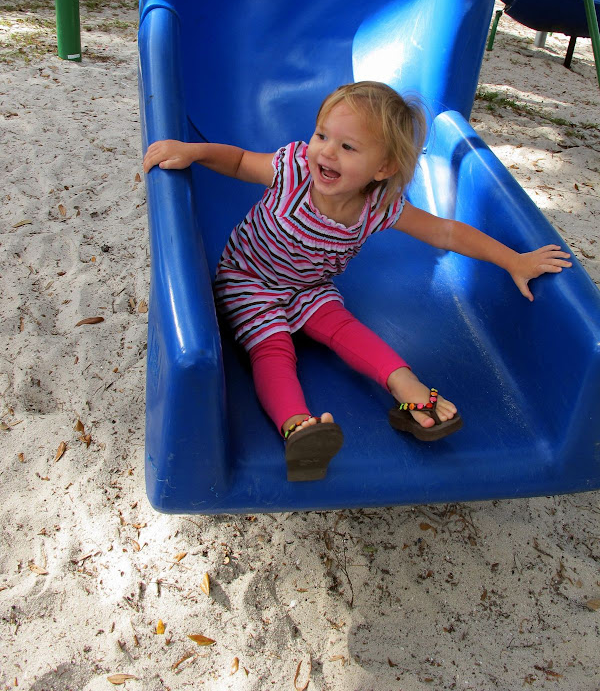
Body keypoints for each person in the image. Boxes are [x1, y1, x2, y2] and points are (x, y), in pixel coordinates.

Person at [143, 81, 572, 482]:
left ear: (383, 168)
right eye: (321, 136)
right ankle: (298, 427)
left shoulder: (379, 206)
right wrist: (193, 151)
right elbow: (239, 161)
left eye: (348, 147)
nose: (326, 153)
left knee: (347, 330)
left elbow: (444, 232)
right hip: (248, 281)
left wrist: (513, 260)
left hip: (309, 288)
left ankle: (406, 386)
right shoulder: (293, 169)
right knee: (273, 347)